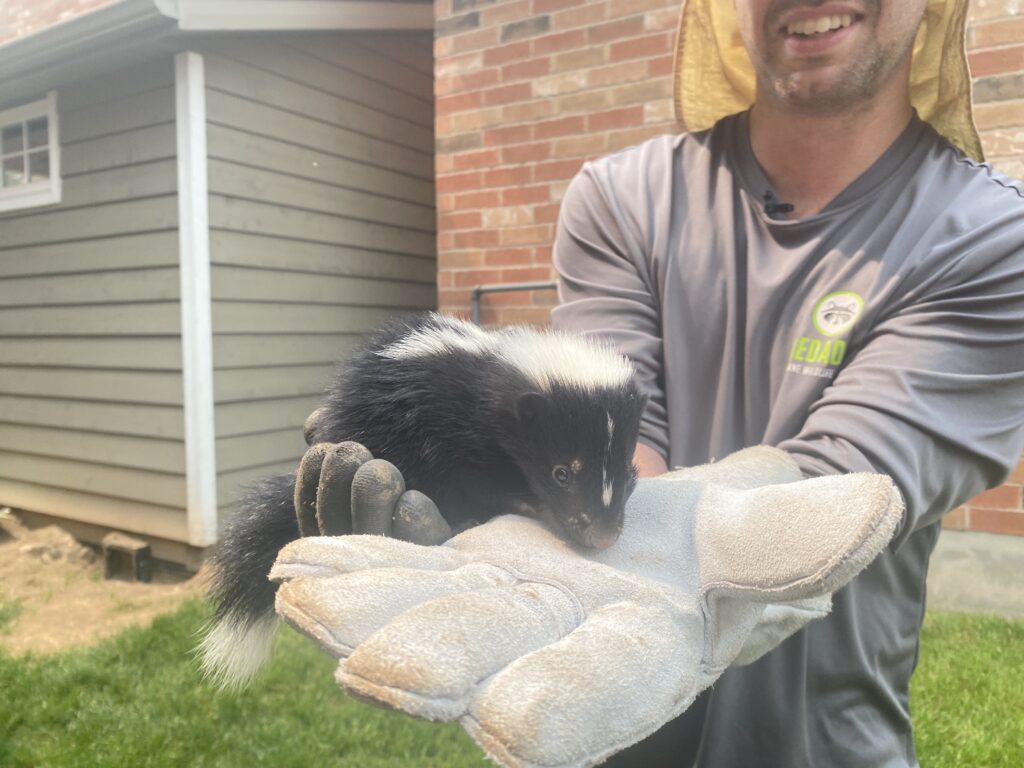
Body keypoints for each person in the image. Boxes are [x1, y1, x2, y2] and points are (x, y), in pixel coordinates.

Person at [549, 0, 1024, 766]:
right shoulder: (620, 201)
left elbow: (827, 506)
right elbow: (611, 448)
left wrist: (564, 534)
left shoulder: (990, 242)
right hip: (611, 727)